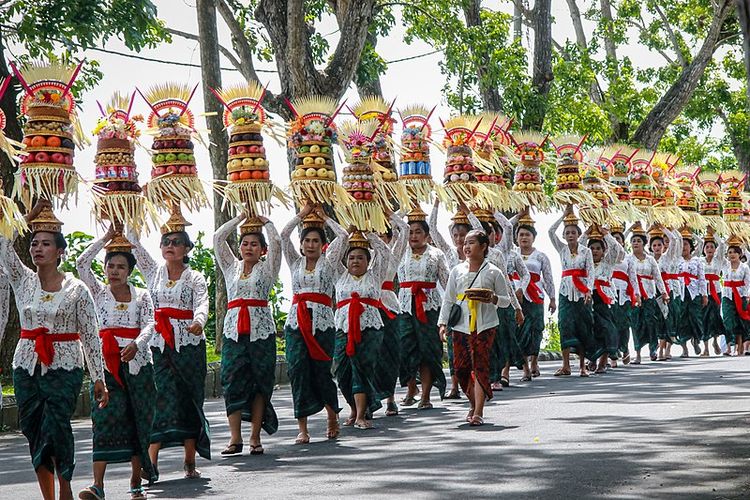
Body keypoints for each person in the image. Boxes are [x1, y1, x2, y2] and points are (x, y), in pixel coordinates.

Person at [0, 201, 108, 500]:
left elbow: (90, 334)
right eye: (34, 243)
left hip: (65, 366)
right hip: (26, 365)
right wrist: (28, 217)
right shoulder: (22, 280)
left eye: (46, 244)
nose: (37, 249)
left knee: (56, 427)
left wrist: (98, 377)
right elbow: (3, 243)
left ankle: (65, 488)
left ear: (60, 251)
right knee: (33, 430)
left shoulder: (76, 289)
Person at [75, 225, 156, 500]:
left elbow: (150, 325)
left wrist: (137, 345)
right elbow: (81, 263)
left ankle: (136, 483)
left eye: (121, 266)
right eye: (110, 265)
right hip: (104, 368)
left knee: (136, 422)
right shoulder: (97, 292)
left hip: (137, 366)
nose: (114, 271)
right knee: (104, 420)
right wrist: (106, 238)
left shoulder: (143, 295)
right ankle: (98, 485)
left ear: (129, 271)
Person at [129, 209, 210, 480]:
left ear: (187, 247)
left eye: (176, 242)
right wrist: (134, 207)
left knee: (189, 400)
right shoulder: (153, 272)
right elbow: (133, 240)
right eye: (166, 242)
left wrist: (199, 320)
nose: (170, 246)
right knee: (159, 399)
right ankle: (150, 464)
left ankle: (189, 462)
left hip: (188, 344)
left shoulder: (195, 277)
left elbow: (202, 301)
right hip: (159, 345)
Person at [280, 203, 347, 444]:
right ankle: (303, 428)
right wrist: (301, 213)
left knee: (321, 371)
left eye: (315, 241)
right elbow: (283, 235)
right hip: (296, 323)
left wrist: (325, 218)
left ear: (322, 245)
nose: (310, 245)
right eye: (307, 241)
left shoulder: (328, 263)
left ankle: (332, 417)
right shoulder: (294, 263)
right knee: (297, 371)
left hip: (322, 324)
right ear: (301, 244)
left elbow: (343, 236)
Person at [214, 212, 281, 455]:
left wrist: (267, 222)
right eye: (245, 243)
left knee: (260, 381)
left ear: (262, 249)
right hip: (233, 331)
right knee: (231, 381)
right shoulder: (231, 267)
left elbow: (276, 243)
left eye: (254, 244)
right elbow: (218, 238)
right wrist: (240, 218)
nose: (248, 247)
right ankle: (235, 438)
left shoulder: (268, 269)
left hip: (261, 331)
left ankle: (255, 437)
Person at [438, 229, 512, 426]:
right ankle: (472, 402)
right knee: (461, 368)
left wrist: (493, 298)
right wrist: (443, 323)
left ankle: (479, 411)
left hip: (485, 324)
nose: (467, 246)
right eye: (465, 243)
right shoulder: (457, 270)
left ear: (484, 246)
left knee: (480, 365)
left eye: (471, 242)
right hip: (461, 324)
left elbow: (506, 301)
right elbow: (448, 299)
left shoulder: (494, 272)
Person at [333, 230, 392, 429]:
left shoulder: (375, 275)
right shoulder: (339, 276)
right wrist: (345, 231)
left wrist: (368, 234)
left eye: (360, 258)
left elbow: (384, 253)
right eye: (351, 258)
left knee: (361, 369)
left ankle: (360, 415)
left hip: (370, 329)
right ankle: (354, 406)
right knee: (341, 370)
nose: (355, 261)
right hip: (343, 328)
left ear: (368, 261)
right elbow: (332, 254)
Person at [398, 205, 449, 409]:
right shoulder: (400, 251)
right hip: (404, 306)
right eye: (410, 232)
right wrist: (404, 207)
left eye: (419, 232)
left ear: (427, 236)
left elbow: (446, 281)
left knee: (428, 350)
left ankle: (426, 395)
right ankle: (412, 387)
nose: (413, 236)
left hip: (429, 307)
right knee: (405, 349)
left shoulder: (436, 254)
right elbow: (394, 229)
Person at [467, 209, 525, 388]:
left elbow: (506, 283)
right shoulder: (467, 254)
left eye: (492, 233)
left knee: (496, 340)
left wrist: (516, 307)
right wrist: (466, 211)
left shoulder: (498, 254)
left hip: (496, 303)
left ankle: (496, 377)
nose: (493, 236)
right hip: (473, 303)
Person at [548, 207, 602, 376]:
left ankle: (582, 366)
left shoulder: (586, 251)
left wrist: (588, 291)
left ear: (579, 235)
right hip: (565, 291)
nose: (570, 235)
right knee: (564, 324)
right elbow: (550, 231)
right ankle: (566, 365)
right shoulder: (562, 249)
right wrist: (563, 216)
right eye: (567, 232)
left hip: (581, 291)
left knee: (583, 326)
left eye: (573, 232)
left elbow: (591, 271)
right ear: (564, 235)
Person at [429, 199, 471, 398]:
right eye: (455, 235)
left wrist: (467, 210)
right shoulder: (448, 253)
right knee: (454, 346)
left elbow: (479, 229)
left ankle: (476, 383)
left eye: (463, 235)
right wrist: (437, 203)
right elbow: (432, 229)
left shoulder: (477, 254)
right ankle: (455, 386)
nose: (459, 239)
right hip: (455, 306)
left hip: (475, 305)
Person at [375, 211, 409, 415]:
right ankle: (364, 402)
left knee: (389, 353)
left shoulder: (393, 255)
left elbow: (404, 230)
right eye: (375, 235)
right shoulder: (363, 255)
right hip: (365, 308)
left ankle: (390, 398)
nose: (379, 240)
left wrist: (390, 214)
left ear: (389, 238)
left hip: (388, 306)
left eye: (382, 236)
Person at [514, 212, 556, 377]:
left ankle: (534, 361)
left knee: (536, 329)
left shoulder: (541, 256)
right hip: (517, 296)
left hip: (536, 296)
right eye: (521, 234)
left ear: (533, 237)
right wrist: (518, 216)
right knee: (521, 331)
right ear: (516, 237)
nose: (524, 237)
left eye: (527, 235)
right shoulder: (512, 254)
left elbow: (548, 278)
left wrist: (552, 299)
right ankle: (525, 367)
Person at [583, 225, 625, 373]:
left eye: (598, 248)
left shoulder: (608, 263)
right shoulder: (584, 262)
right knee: (590, 329)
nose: (594, 251)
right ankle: (592, 358)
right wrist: (586, 233)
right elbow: (578, 249)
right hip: (588, 298)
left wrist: (606, 234)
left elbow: (616, 249)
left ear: (603, 251)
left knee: (607, 329)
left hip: (605, 298)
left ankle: (603, 362)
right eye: (592, 248)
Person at [631, 223, 668, 363]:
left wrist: (664, 292)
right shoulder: (629, 259)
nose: (636, 243)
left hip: (650, 294)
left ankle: (653, 348)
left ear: (644, 243)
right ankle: (638, 353)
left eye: (639, 241)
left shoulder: (650, 259)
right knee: (636, 323)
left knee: (651, 321)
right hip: (635, 295)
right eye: (633, 241)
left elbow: (658, 277)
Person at [676, 228, 708, 358]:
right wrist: (678, 233)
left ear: (690, 247)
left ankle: (696, 340)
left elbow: (702, 278)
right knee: (682, 319)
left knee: (696, 318)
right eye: (681, 244)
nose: (683, 247)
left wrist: (704, 294)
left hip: (694, 292)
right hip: (681, 292)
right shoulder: (676, 260)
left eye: (686, 244)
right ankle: (684, 349)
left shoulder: (697, 260)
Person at [609, 225, 638, 366]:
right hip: (609, 293)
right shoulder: (607, 256)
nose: (615, 241)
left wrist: (636, 294)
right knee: (611, 323)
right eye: (613, 238)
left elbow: (633, 278)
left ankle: (625, 349)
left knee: (624, 324)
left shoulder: (628, 259)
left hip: (624, 294)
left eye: (618, 239)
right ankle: (613, 355)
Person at [652, 225, 681, 360]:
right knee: (658, 319)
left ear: (664, 246)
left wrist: (663, 228)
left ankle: (666, 349)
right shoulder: (649, 259)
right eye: (654, 245)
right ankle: (659, 349)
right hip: (655, 291)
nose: (657, 247)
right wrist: (649, 229)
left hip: (669, 290)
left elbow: (674, 239)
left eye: (659, 245)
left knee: (669, 317)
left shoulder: (667, 257)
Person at [721, 237, 750, 355]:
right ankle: (729, 346)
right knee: (728, 320)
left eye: (735, 252)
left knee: (742, 321)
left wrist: (743, 242)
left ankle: (742, 347)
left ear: (739, 254)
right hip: (727, 296)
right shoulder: (724, 265)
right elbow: (719, 249)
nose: (732, 255)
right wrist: (727, 240)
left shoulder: (744, 267)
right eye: (730, 252)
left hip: (741, 297)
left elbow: (748, 282)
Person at [701, 230, 726, 356]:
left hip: (716, 291)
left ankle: (715, 340)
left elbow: (722, 244)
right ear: (704, 249)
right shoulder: (700, 261)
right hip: (704, 292)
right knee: (704, 318)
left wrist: (714, 233)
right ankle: (705, 347)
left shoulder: (719, 260)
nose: (709, 249)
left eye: (712, 247)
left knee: (714, 317)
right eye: (707, 247)